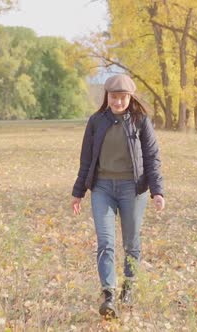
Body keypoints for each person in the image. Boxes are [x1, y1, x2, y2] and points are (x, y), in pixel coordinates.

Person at [71, 74, 165, 318]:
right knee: (105, 241)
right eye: (114, 97)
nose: (118, 101)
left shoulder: (141, 122)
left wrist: (157, 191)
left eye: (123, 97)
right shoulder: (96, 121)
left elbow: (152, 158)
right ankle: (109, 294)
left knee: (131, 243)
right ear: (107, 97)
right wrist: (78, 192)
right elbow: (86, 160)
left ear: (130, 97)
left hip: (132, 190)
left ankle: (129, 286)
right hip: (102, 188)